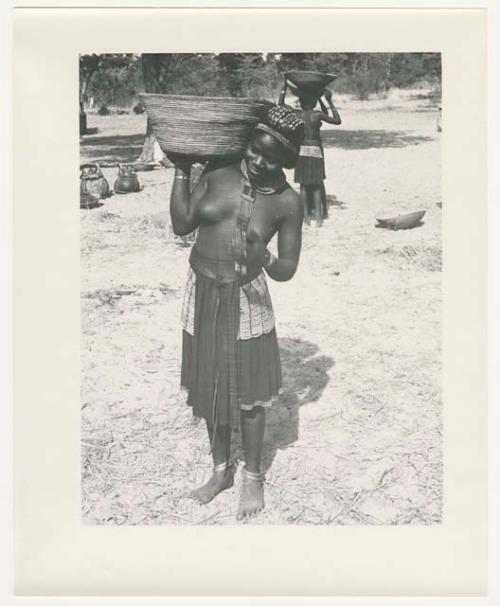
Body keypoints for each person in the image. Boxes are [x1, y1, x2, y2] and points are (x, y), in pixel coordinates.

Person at [168, 104, 305, 520]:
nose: (258, 161)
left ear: (285, 161)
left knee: (248, 396)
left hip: (246, 296)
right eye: (254, 150)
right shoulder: (219, 173)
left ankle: (253, 475)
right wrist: (180, 170)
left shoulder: (286, 202)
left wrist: (263, 256)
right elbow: (182, 223)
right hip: (203, 289)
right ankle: (220, 471)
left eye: (271, 157)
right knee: (210, 385)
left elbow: (287, 270)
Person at [279, 79, 341, 226]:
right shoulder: (317, 115)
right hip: (316, 149)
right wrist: (328, 100)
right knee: (316, 183)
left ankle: (306, 217)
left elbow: (280, 106)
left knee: (304, 185)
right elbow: (337, 120)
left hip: (302, 150)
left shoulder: (297, 114)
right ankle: (319, 218)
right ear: (314, 103)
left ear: (300, 103)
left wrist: (284, 88)